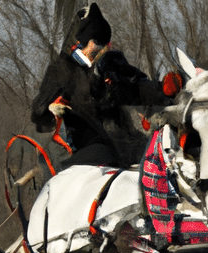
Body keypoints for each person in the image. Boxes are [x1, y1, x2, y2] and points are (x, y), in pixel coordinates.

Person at [31, 3, 168, 170]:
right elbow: (39, 113)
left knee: (156, 153)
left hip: (122, 142)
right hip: (85, 144)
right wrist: (52, 110)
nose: (100, 49)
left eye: (104, 44)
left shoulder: (108, 68)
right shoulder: (62, 71)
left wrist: (165, 90)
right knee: (104, 151)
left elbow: (135, 89)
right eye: (96, 43)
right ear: (83, 41)